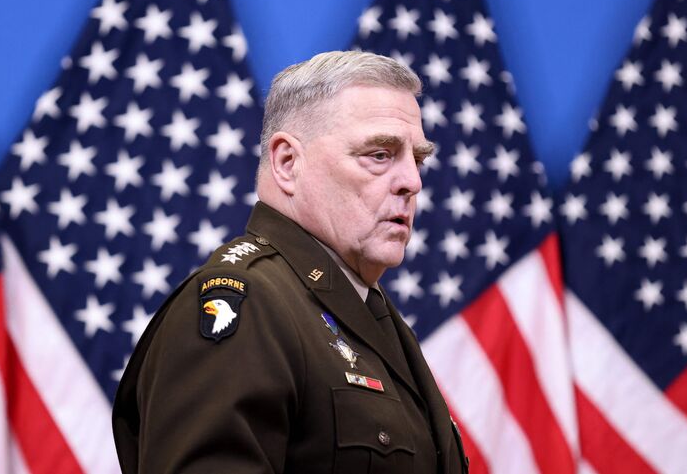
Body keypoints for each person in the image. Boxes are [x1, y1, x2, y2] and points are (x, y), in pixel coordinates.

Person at [112, 50, 469, 474]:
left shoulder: (366, 315)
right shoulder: (248, 304)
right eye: (379, 154)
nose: (412, 182)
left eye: (418, 158)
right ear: (287, 162)